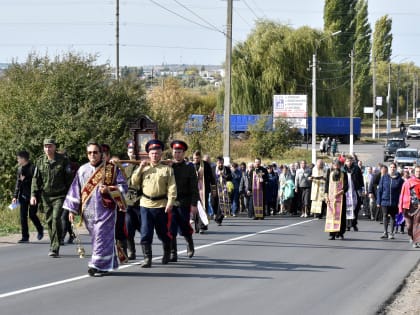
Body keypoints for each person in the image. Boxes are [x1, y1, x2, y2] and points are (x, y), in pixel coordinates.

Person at [64, 141, 128, 276]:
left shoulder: (111, 169)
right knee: (97, 238)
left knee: (101, 236)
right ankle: (108, 264)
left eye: (95, 152)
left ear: (101, 154)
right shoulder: (82, 170)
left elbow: (123, 187)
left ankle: (95, 265)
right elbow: (75, 190)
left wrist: (110, 189)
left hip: (106, 210)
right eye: (89, 152)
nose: (92, 155)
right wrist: (72, 210)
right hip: (88, 212)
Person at [131, 139, 177, 267]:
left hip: (161, 204)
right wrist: (140, 168)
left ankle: (167, 252)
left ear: (161, 153)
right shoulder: (144, 168)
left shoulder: (167, 169)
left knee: (163, 232)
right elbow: (134, 182)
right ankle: (147, 258)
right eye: (152, 153)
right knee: (146, 232)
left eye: (157, 153)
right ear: (148, 154)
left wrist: (170, 201)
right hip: (145, 204)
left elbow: (172, 187)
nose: (154, 155)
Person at [30, 138, 73, 257]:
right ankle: (55, 242)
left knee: (55, 219)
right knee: (49, 222)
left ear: (55, 147)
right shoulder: (40, 161)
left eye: (50, 146)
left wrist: (72, 196)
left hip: (60, 195)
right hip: (46, 197)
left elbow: (69, 179)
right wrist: (33, 195)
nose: (48, 149)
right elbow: (35, 179)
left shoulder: (63, 161)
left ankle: (55, 247)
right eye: (45, 146)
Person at [169, 140, 199, 262]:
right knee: (171, 227)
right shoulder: (168, 166)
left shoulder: (189, 167)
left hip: (184, 201)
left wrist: (194, 204)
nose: (177, 154)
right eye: (175, 152)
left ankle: (189, 242)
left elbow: (194, 187)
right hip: (171, 201)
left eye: (179, 152)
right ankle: (173, 253)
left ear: (184, 153)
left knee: (184, 226)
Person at [12, 150, 44, 243]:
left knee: (32, 215)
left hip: (33, 196)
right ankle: (25, 237)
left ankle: (40, 229)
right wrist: (15, 196)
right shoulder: (19, 169)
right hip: (23, 196)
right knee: (23, 216)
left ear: (23, 159)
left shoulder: (33, 168)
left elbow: (37, 182)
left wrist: (25, 180)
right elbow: (18, 183)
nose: (17, 160)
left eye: (18, 159)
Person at [376, 163, 404, 240]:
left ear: (396, 168)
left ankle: (391, 233)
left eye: (394, 167)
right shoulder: (384, 177)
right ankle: (385, 232)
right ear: (389, 168)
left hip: (395, 201)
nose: (392, 168)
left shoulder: (400, 180)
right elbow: (380, 190)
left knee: (392, 216)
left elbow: (402, 192)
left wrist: (400, 202)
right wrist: (378, 201)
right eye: (391, 167)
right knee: (385, 215)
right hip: (385, 200)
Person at [124, 143, 142, 260]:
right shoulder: (124, 167)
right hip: (128, 201)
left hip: (141, 201)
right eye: (130, 152)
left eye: (134, 152)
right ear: (127, 153)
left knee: (144, 229)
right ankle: (131, 251)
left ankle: (146, 252)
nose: (132, 154)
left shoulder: (143, 165)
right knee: (129, 227)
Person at [192, 150, 215, 233]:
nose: (195, 160)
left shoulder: (205, 165)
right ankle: (197, 227)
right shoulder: (191, 165)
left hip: (204, 189)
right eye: (194, 158)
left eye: (197, 158)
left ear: (200, 157)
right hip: (194, 190)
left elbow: (212, 177)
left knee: (203, 207)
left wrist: (213, 189)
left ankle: (202, 226)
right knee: (195, 208)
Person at [324, 159, 348, 240]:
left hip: (340, 198)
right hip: (331, 198)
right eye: (335, 165)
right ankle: (332, 234)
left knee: (341, 216)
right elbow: (326, 185)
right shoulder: (329, 173)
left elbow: (346, 186)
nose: (336, 167)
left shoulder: (344, 174)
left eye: (338, 165)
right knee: (331, 216)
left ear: (340, 166)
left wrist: (340, 192)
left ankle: (341, 233)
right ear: (333, 166)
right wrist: (326, 196)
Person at [398, 165, 420, 248]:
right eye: (417, 171)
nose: (418, 173)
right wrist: (400, 207)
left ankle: (416, 241)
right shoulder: (408, 182)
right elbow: (402, 195)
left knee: (416, 224)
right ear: (414, 172)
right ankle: (411, 236)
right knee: (409, 226)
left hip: (418, 207)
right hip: (407, 207)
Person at [343, 155, 364, 231]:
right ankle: (348, 225)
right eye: (347, 161)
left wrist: (362, 190)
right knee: (347, 208)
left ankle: (354, 223)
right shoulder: (343, 169)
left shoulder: (356, 168)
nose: (349, 162)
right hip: (346, 191)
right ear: (345, 162)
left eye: (350, 161)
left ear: (352, 161)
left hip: (355, 190)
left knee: (356, 208)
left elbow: (361, 180)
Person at [213, 156, 232, 225]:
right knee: (214, 202)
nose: (220, 164)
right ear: (216, 163)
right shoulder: (213, 169)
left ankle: (219, 219)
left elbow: (230, 177)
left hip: (223, 188)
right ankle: (215, 213)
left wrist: (224, 175)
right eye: (219, 163)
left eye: (221, 163)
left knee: (222, 203)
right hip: (214, 188)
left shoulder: (227, 169)